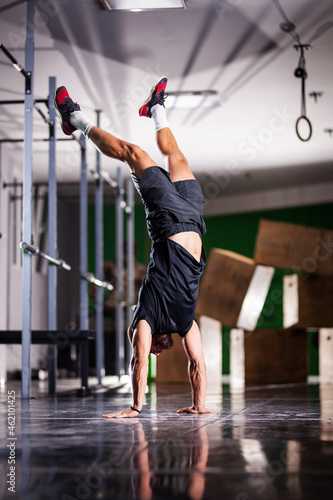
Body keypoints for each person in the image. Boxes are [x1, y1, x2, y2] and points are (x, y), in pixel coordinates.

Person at [54, 77, 211, 418]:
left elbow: (139, 360)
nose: (156, 352)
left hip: (168, 221)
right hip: (193, 218)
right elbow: (197, 361)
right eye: (157, 352)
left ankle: (73, 117)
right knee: (178, 156)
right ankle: (155, 109)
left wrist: (136, 408)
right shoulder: (184, 322)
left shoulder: (147, 316)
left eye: (152, 348)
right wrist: (199, 406)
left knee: (134, 153)